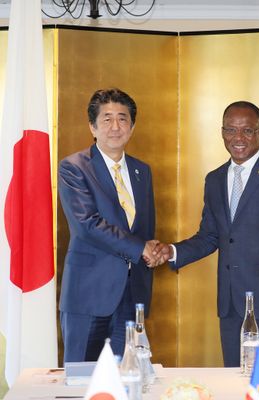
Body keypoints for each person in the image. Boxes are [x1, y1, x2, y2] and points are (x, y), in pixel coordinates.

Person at [152, 101, 259, 367]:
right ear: (222, 132)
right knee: (235, 381)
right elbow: (210, 236)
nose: (238, 138)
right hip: (230, 307)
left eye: (247, 131)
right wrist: (172, 251)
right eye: (231, 130)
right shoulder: (214, 179)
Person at [58, 88, 158, 362]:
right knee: (83, 380)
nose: (116, 127)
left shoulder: (142, 171)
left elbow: (144, 229)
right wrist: (142, 249)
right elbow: (86, 224)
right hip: (88, 295)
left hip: (131, 295)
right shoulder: (74, 167)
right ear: (92, 126)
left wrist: (153, 250)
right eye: (107, 119)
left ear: (132, 126)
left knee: (128, 378)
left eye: (123, 119)